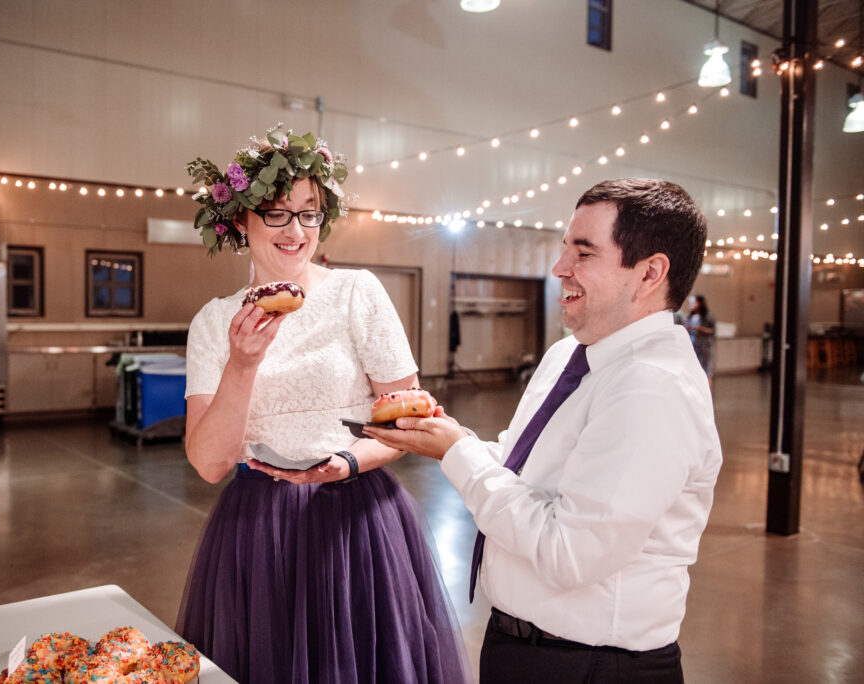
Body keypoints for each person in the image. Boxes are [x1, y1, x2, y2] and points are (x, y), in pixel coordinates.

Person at [366, 179, 723, 683]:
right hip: (523, 645)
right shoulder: (567, 356)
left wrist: (459, 455)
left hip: (592, 664)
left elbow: (570, 553)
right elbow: (521, 468)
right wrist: (451, 438)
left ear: (649, 273)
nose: (560, 269)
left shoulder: (651, 388)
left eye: (584, 252)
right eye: (564, 250)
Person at [176, 126, 469, 684]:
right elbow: (211, 464)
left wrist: (351, 461)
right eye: (278, 213)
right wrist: (242, 364)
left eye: (309, 213)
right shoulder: (215, 323)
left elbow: (410, 422)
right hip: (260, 526)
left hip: (359, 520)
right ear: (240, 219)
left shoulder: (358, 293)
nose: (296, 231)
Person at [686, 294, 717, 384]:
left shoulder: (709, 316)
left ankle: (708, 393)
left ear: (699, 303)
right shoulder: (690, 317)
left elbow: (712, 330)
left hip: (705, 347)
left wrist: (699, 328)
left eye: (693, 303)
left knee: (706, 371)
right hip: (694, 346)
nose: (691, 305)